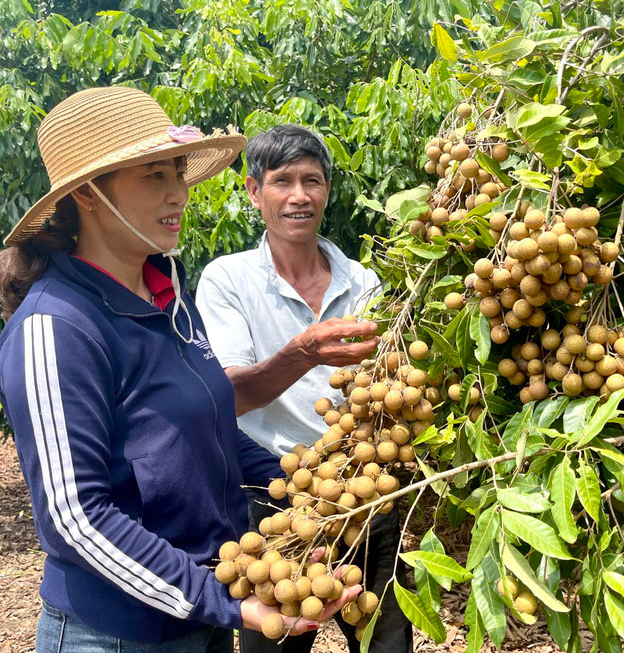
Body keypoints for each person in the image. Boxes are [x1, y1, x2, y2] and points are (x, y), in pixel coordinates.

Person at [0, 87, 359, 653]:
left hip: (200, 618)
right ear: (88, 195)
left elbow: (207, 432)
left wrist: (307, 490)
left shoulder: (170, 299)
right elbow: (75, 518)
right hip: (114, 634)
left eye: (178, 173)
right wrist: (222, 600)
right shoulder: (55, 327)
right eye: (153, 176)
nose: (179, 194)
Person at [195, 125, 412, 653]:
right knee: (275, 643)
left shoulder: (364, 283)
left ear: (327, 191)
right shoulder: (227, 280)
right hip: (269, 497)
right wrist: (304, 352)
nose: (299, 195)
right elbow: (230, 393)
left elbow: (385, 387)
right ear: (253, 191)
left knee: (387, 641)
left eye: (312, 181)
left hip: (361, 490)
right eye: (282, 181)